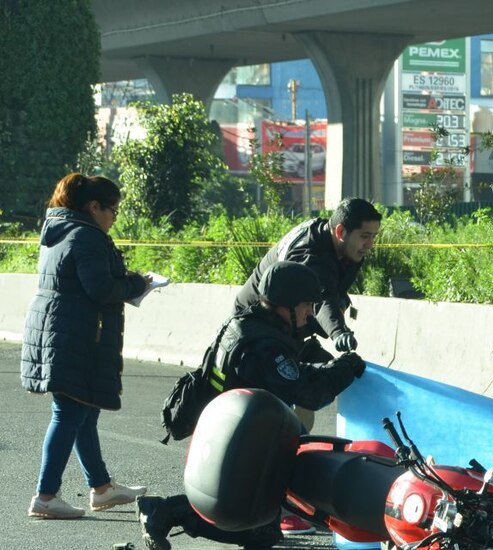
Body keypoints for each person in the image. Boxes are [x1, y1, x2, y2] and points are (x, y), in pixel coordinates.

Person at [136, 261, 367, 549]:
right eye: (307, 305)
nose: (310, 314)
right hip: (243, 450)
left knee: (260, 529)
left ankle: (164, 511)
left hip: (224, 437)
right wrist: (346, 368)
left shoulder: (246, 324)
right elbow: (309, 392)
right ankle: (166, 511)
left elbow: (290, 364)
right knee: (260, 531)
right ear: (288, 304)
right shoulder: (265, 348)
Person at [233, 198, 379, 535]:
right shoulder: (310, 254)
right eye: (365, 236)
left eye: (374, 236)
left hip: (291, 330)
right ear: (341, 231)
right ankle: (282, 508)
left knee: (313, 392)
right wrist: (339, 332)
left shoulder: (336, 245)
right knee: (287, 410)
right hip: (262, 335)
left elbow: (325, 297)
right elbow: (324, 298)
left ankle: (290, 492)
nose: (370, 244)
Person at [21, 173, 150, 519]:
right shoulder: (86, 236)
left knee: (84, 410)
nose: (114, 218)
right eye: (112, 210)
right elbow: (100, 289)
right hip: (72, 334)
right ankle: (46, 496)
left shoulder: (59, 229)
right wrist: (137, 284)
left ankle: (102, 488)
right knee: (69, 413)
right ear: (94, 207)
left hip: (60, 329)